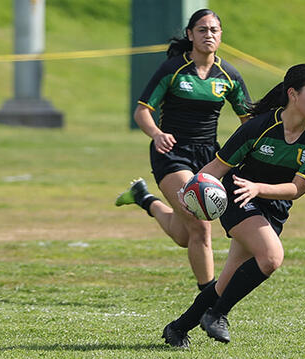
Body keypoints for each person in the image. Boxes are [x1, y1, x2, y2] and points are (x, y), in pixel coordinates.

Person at [161, 63, 305, 349]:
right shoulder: (259, 126)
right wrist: (189, 190)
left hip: (273, 206)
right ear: (292, 94)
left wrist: (260, 189)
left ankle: (177, 328)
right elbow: (218, 167)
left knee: (226, 282)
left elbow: (296, 189)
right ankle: (218, 315)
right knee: (271, 257)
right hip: (238, 197)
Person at [115, 9, 251, 294]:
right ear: (190, 35)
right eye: (202, 30)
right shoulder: (173, 69)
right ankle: (208, 301)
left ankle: (144, 198)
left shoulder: (229, 75)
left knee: (183, 234)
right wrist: (156, 133)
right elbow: (142, 112)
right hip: (172, 153)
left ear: (221, 35)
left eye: (214, 30)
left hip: (208, 157)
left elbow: (248, 121)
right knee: (201, 227)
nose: (208, 35)